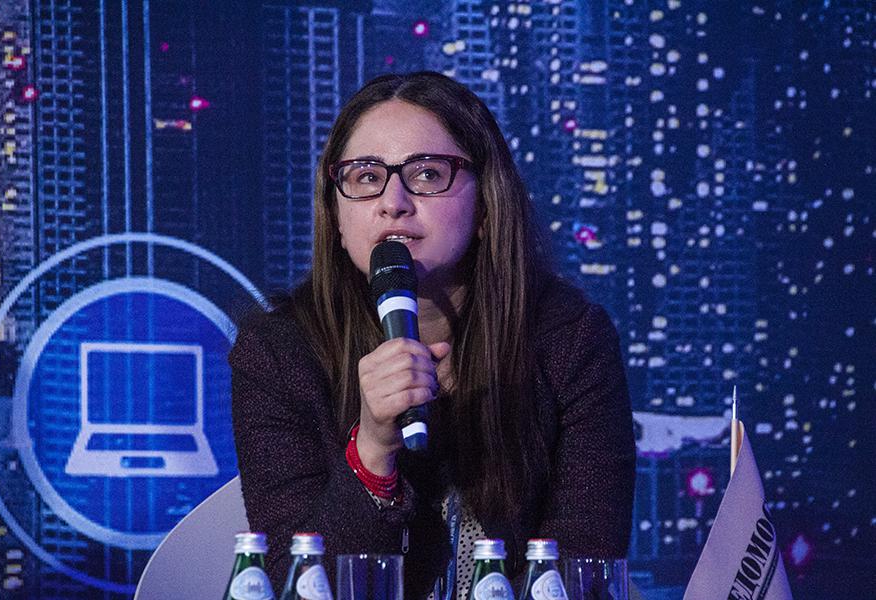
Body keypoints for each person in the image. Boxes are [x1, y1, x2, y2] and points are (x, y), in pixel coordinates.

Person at [229, 71, 635, 599]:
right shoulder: (278, 353)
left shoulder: (569, 342)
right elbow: (291, 579)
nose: (393, 201)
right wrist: (372, 449)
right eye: (366, 176)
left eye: (426, 174)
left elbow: (583, 571)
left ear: (485, 204)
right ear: (336, 215)